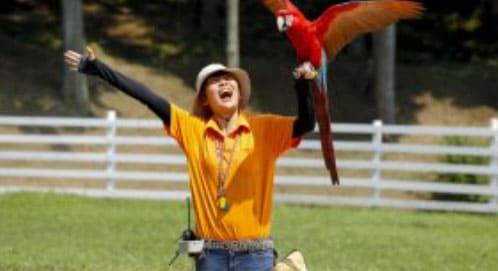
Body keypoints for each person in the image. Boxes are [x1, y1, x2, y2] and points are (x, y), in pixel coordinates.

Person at [64, 46, 316, 271]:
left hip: (255, 254)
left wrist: (303, 85)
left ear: (239, 92)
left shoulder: (264, 129)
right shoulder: (192, 130)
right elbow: (147, 97)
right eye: (215, 82)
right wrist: (98, 69)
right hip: (211, 256)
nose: (224, 83)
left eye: (229, 80)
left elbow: (306, 123)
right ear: (205, 98)